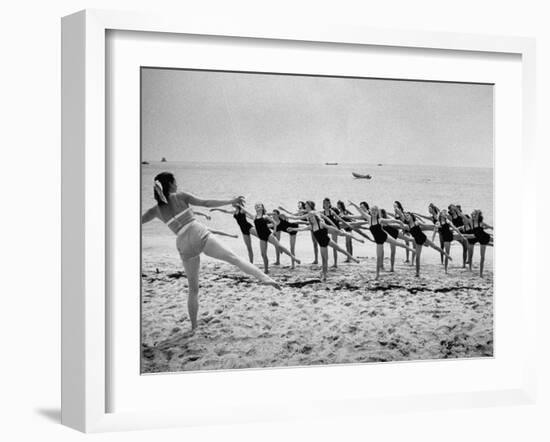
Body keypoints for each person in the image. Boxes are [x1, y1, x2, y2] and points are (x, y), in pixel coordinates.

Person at [141, 172, 280, 332]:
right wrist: (232, 201)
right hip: (197, 232)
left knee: (193, 290)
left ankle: (193, 327)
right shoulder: (180, 196)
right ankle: (264, 278)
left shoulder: (155, 210)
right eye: (175, 181)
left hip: (182, 243)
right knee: (234, 258)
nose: (177, 184)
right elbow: (206, 203)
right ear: (171, 184)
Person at [288, 201, 362, 281]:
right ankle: (324, 274)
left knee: (340, 249)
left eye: (312, 218)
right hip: (322, 244)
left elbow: (329, 226)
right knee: (324, 259)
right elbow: (301, 229)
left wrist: (337, 230)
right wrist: (292, 228)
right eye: (310, 218)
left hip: (327, 240)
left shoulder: (321, 224)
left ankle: (353, 258)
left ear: (315, 218)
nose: (311, 219)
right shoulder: (311, 226)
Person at [348, 202, 415, 279]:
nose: (373, 212)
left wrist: (400, 223)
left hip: (384, 236)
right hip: (378, 241)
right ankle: (377, 275)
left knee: (398, 243)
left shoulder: (380, 220)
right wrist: (353, 204)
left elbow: (391, 221)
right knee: (378, 258)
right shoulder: (369, 218)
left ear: (377, 212)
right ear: (371, 211)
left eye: (375, 211)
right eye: (372, 211)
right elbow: (361, 211)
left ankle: (411, 249)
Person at [400, 212, 453, 277]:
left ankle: (447, 255)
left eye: (407, 215)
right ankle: (417, 273)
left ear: (411, 216)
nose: (406, 217)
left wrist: (434, 226)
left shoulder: (416, 222)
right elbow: (403, 228)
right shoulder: (407, 226)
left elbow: (425, 226)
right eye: (405, 216)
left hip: (423, 237)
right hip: (417, 241)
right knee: (417, 257)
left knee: (435, 247)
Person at [253, 203, 301, 274]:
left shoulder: (265, 216)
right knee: (263, 254)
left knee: (279, 246)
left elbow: (274, 223)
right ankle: (266, 270)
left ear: (262, 208)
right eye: (256, 206)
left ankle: (294, 258)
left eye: (259, 206)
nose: (257, 206)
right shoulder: (255, 216)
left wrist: (274, 232)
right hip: (261, 237)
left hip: (268, 234)